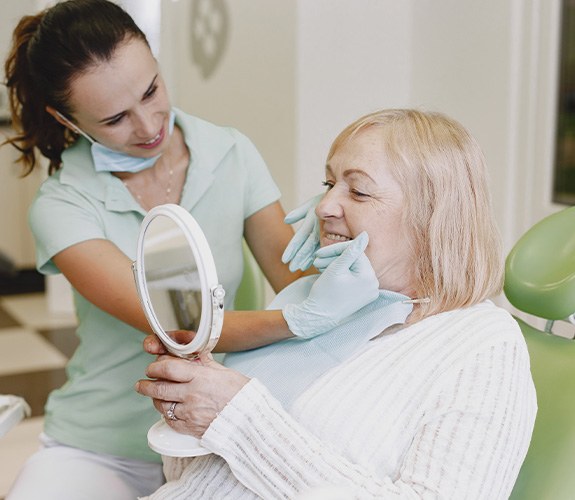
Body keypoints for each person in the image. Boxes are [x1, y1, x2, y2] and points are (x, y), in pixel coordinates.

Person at [2, 1, 379, 498]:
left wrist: (336, 235)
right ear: (64, 118)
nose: (147, 125)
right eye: (115, 118)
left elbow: (295, 278)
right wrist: (300, 318)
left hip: (217, 430)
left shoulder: (230, 152)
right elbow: (175, 325)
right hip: (107, 445)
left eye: (151, 89)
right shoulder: (63, 203)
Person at [136, 108, 537, 499]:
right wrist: (191, 404)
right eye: (329, 185)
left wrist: (235, 415)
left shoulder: (482, 347)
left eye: (358, 190)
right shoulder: (321, 301)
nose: (323, 207)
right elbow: (194, 481)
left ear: (432, 216)